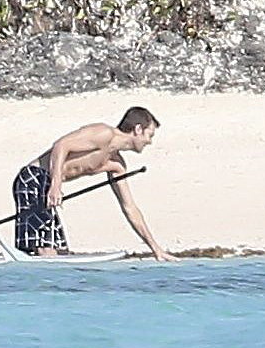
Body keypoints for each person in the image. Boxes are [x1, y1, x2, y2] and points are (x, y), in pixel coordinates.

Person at [12, 106, 178, 261]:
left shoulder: (117, 165)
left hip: (48, 186)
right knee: (43, 249)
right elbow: (61, 146)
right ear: (138, 129)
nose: (149, 142)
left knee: (57, 252)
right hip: (33, 179)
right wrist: (56, 186)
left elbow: (130, 208)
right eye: (150, 135)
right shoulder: (103, 133)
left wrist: (155, 249)